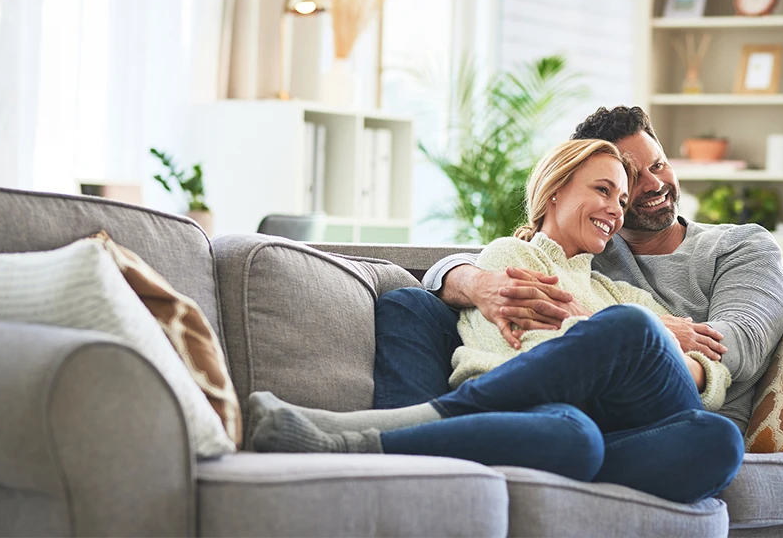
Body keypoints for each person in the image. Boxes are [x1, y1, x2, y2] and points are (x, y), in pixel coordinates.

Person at [249, 138, 743, 503]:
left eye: (620, 199)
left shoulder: (618, 291)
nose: (616, 210)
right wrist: (620, 336)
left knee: (718, 438)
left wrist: (609, 330)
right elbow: (514, 358)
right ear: (555, 191)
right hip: (552, 418)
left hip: (622, 418)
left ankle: (409, 434)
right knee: (574, 434)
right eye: (603, 190)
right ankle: (363, 440)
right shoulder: (510, 256)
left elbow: (711, 372)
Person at [379, 105, 783, 434]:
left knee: (704, 435)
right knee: (411, 304)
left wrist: (645, 336)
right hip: (585, 392)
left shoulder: (739, 244)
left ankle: (422, 430)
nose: (653, 184)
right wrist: (480, 284)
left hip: (670, 407)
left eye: (659, 165)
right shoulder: (593, 245)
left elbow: (743, 343)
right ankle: (407, 444)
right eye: (624, 178)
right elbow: (490, 261)